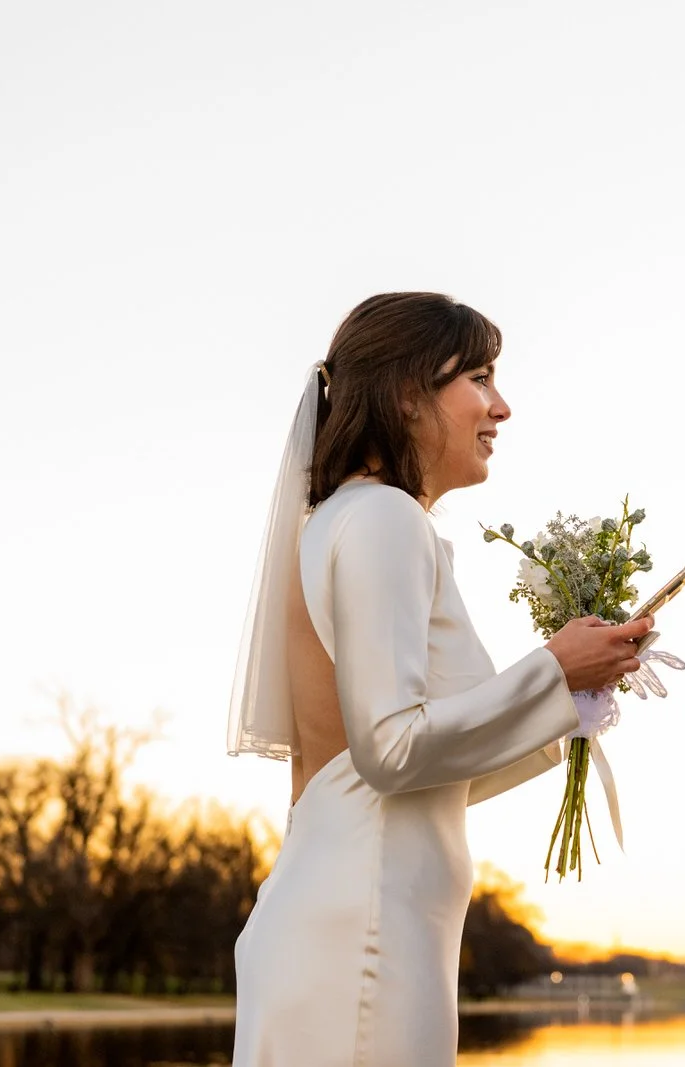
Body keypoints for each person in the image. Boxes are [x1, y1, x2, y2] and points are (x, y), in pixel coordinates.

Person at [226, 293, 660, 1066]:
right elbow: (389, 749)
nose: (503, 406)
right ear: (404, 393)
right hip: (366, 932)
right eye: (480, 378)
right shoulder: (385, 520)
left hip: (357, 917)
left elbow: (410, 774)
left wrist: (574, 697)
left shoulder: (348, 518)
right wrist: (552, 670)